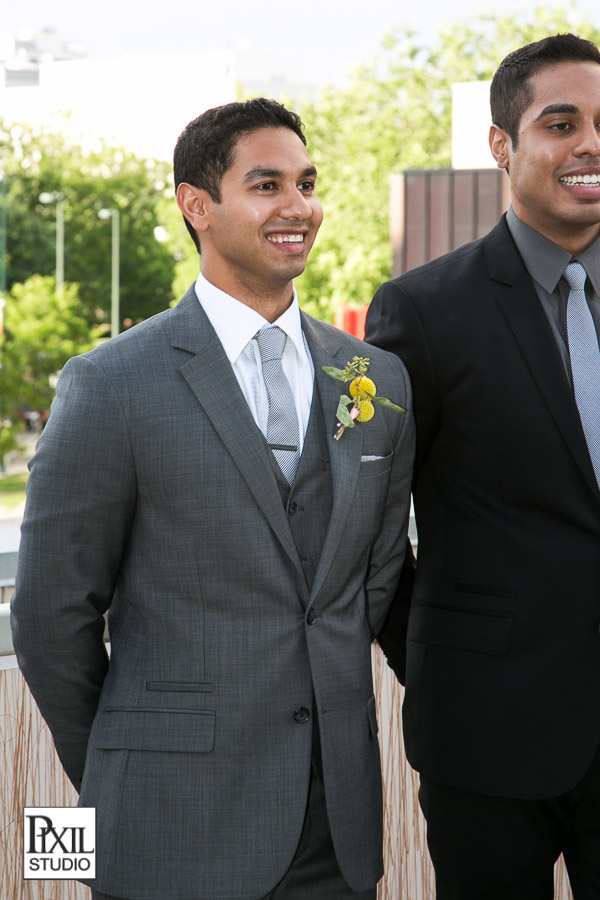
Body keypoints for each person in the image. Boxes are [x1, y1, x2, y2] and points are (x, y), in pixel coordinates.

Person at [11, 98, 415, 900]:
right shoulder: (112, 383)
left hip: (335, 827)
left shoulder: (375, 378)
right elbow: (51, 613)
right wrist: (123, 764)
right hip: (167, 821)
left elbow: (368, 584)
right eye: (267, 185)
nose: (299, 207)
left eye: (306, 184)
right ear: (197, 205)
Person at [366, 33, 600, 900]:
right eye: (562, 124)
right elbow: (370, 531)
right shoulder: (422, 311)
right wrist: (443, 661)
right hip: (486, 735)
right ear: (502, 145)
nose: (590, 145)